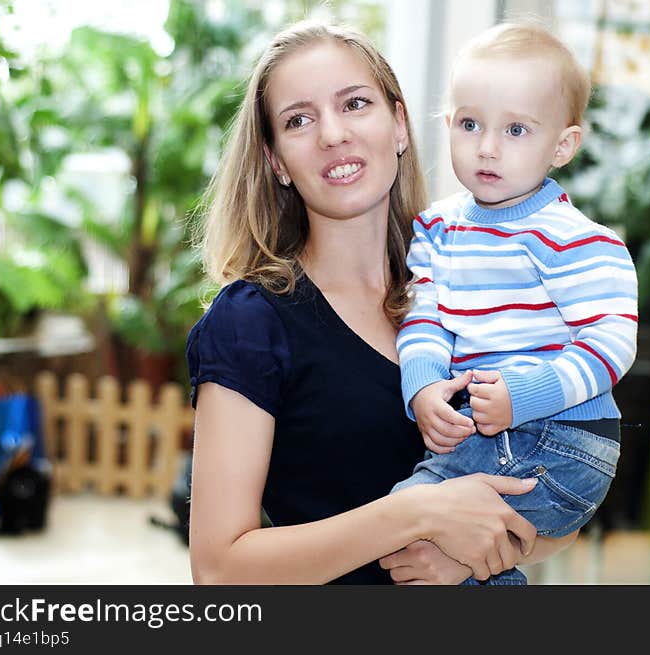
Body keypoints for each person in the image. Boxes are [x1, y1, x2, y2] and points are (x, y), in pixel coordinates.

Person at [185, 20, 579, 585]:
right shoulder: (251, 321)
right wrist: (416, 514)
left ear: (398, 124)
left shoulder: (478, 287)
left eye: (355, 104)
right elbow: (220, 569)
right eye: (299, 120)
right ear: (276, 162)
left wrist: (472, 552)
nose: (332, 134)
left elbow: (566, 502)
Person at [391, 20, 639, 585]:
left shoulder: (576, 238)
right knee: (446, 553)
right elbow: (425, 315)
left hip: (562, 438)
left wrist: (522, 397)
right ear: (446, 124)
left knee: (406, 519)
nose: (487, 147)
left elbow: (611, 344)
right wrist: (425, 384)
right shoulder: (438, 228)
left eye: (517, 130)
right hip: (495, 432)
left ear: (563, 145)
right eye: (471, 123)